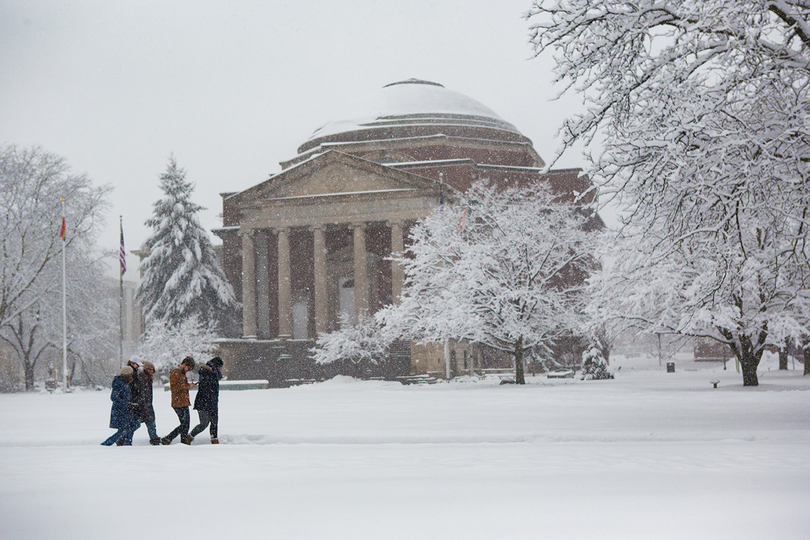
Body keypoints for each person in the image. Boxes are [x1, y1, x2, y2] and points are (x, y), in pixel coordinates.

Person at [101, 365, 140, 446]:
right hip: (120, 411)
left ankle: (127, 443)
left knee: (134, 425)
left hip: (127, 410)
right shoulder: (119, 383)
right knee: (124, 430)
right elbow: (114, 397)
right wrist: (127, 404)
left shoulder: (125, 383)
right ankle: (107, 444)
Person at [161, 356, 196, 445]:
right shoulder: (176, 373)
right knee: (184, 424)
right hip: (178, 403)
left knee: (185, 425)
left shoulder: (181, 373)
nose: (188, 370)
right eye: (188, 368)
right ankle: (169, 438)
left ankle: (182, 441)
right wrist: (187, 386)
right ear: (184, 365)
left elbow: (180, 386)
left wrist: (188, 385)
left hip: (183, 402)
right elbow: (174, 387)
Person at [189, 357, 224, 444]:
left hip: (212, 401)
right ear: (216, 366)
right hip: (203, 402)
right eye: (220, 367)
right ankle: (189, 437)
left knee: (214, 422)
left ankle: (214, 439)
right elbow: (205, 388)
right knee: (204, 423)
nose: (220, 369)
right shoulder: (206, 372)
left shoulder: (213, 373)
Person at [136, 360, 161, 445]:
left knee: (150, 423)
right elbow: (143, 393)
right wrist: (143, 404)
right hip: (143, 405)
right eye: (149, 369)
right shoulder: (143, 378)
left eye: (152, 369)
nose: (151, 371)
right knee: (137, 423)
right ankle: (123, 437)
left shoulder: (148, 378)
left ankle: (154, 438)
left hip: (147, 405)